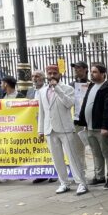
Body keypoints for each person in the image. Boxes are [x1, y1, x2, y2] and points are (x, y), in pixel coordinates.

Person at [36, 65, 88, 195]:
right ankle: (64, 182)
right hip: (50, 129)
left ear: (60, 75)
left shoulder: (68, 88)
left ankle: (81, 182)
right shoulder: (42, 91)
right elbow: (42, 112)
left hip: (65, 128)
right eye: (50, 73)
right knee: (56, 158)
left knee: (72, 157)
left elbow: (69, 103)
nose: (52, 76)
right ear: (46, 75)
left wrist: (57, 88)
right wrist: (40, 130)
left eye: (55, 73)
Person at [77, 63, 108, 188]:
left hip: (101, 128)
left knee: (106, 153)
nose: (92, 74)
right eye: (92, 72)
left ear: (102, 73)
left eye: (95, 72)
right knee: (96, 153)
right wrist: (83, 122)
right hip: (89, 126)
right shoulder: (91, 86)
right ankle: (99, 176)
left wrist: (106, 127)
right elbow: (85, 104)